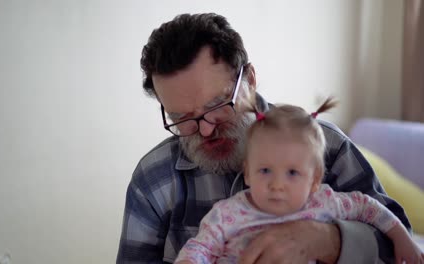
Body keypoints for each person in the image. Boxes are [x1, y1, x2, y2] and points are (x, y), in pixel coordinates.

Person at [117, 13, 411, 263]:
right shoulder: (153, 180)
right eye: (182, 119)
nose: (205, 130)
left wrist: (331, 241)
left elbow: (401, 245)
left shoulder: (326, 147)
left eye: (216, 105)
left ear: (250, 80)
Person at [174, 98, 424, 264]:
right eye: (264, 170)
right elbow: (200, 248)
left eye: (292, 173)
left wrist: (402, 238)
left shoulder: (325, 202)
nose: (277, 185)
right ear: (247, 172)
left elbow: (369, 207)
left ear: (315, 179)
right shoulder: (227, 214)